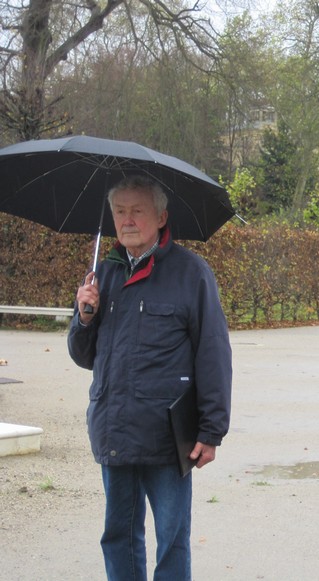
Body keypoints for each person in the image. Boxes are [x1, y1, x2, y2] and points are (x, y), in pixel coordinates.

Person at [67, 175, 232, 581]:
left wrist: (212, 430)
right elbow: (83, 355)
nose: (127, 220)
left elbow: (213, 352)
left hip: (167, 437)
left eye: (137, 211)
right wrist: (85, 317)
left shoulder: (191, 273)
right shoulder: (103, 274)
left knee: (172, 539)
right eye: (119, 211)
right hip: (115, 429)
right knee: (118, 536)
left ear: (160, 216)